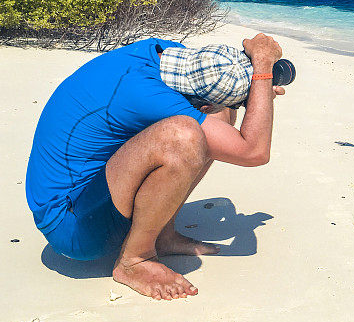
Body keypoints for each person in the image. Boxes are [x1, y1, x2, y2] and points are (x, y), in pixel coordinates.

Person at [25, 33, 284, 300]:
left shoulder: (164, 52)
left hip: (100, 187)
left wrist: (253, 92)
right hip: (72, 224)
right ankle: (134, 260)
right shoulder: (141, 94)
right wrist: (262, 71)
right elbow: (254, 152)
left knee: (220, 113)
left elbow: (212, 101)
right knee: (184, 135)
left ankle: (162, 234)